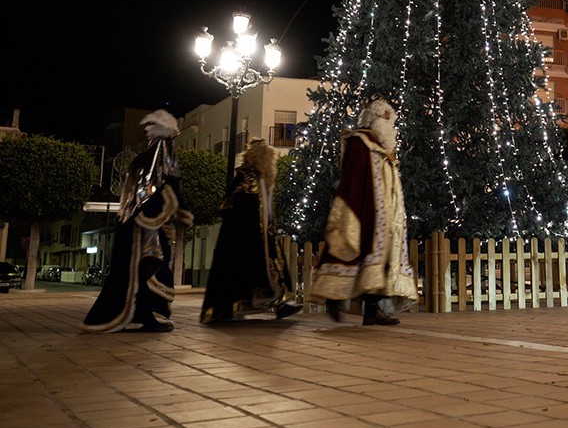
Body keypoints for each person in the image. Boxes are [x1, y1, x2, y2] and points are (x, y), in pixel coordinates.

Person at [81, 110, 192, 333]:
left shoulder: (142, 160)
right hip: (147, 226)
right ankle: (146, 316)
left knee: (137, 271)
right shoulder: (162, 157)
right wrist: (183, 212)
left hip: (134, 224)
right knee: (150, 268)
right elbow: (170, 186)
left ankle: (139, 314)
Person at [309, 99, 417, 325]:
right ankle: (332, 298)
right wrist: (350, 209)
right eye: (386, 118)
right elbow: (352, 179)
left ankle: (372, 311)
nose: (390, 123)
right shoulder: (360, 142)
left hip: (384, 218)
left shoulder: (384, 148)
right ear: (374, 118)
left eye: (391, 119)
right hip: (362, 211)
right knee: (348, 253)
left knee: (377, 265)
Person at [200, 139, 301, 323]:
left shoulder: (262, 179)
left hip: (263, 235)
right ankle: (236, 308)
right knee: (248, 272)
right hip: (245, 236)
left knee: (273, 271)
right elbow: (231, 202)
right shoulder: (246, 176)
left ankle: (281, 305)